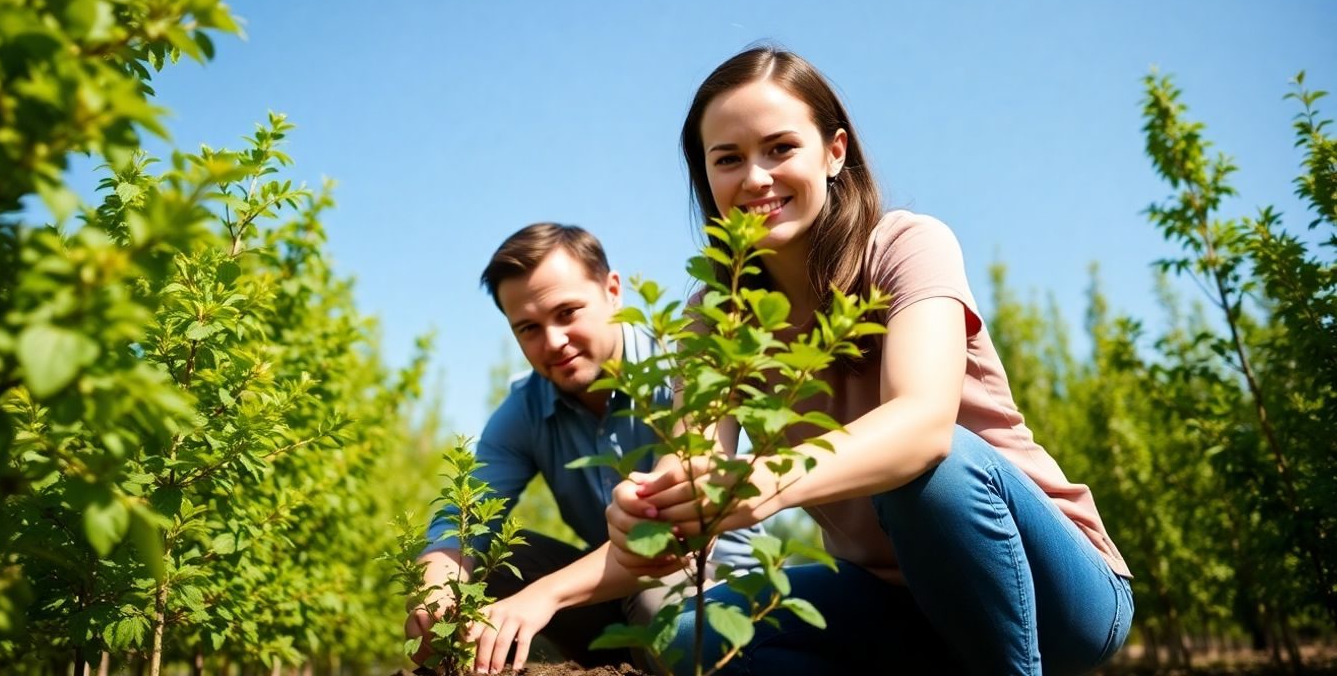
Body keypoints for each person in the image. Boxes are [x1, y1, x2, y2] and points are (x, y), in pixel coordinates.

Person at [606, 47, 1135, 675]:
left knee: (926, 471)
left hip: (1057, 595)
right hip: (896, 608)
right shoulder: (713, 316)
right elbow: (698, 462)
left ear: (835, 152)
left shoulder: (907, 246)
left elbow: (922, 425)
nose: (754, 177)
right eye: (728, 159)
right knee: (688, 635)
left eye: (780, 148)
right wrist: (654, 507)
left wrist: (762, 481)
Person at [405, 223, 761, 674]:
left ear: (613, 291)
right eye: (529, 328)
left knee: (660, 601)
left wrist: (543, 596)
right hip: (609, 596)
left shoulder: (682, 368)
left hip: (716, 590)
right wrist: (435, 585)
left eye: (567, 312)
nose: (553, 341)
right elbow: (463, 518)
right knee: (487, 567)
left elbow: (675, 535)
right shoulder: (523, 413)